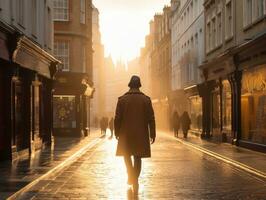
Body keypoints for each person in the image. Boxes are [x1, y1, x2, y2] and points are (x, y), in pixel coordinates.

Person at [114, 75, 156, 194]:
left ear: (130, 85)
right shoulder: (146, 100)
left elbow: (117, 118)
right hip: (141, 134)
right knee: (138, 157)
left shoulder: (122, 100)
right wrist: (152, 133)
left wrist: (117, 132)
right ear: (139, 85)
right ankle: (135, 179)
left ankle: (130, 175)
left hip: (125, 134)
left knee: (126, 156)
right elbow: (151, 118)